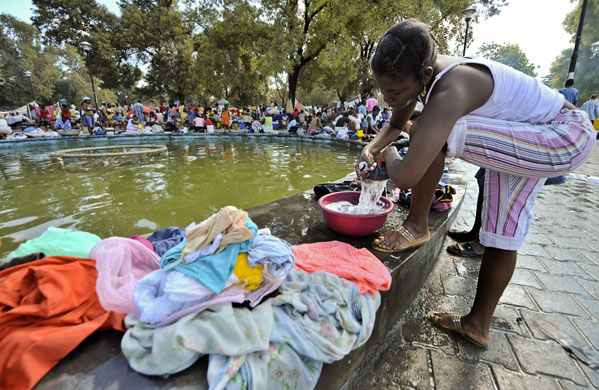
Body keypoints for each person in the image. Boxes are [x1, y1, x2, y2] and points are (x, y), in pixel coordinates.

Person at [358, 19, 596, 347]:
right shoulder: (419, 70)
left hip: (563, 135)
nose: (388, 98)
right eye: (383, 90)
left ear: (423, 77)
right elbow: (396, 122)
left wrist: (391, 157)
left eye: (395, 92)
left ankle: (416, 226)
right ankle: (476, 325)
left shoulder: (450, 87)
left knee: (431, 131)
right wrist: (371, 149)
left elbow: (408, 174)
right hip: (537, 133)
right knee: (501, 234)